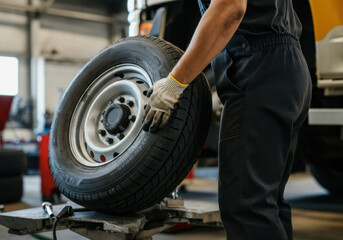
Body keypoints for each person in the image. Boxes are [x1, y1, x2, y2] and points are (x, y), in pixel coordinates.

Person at [143, 0, 312, 239]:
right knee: (267, 204)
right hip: (286, 66)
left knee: (247, 209)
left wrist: (175, 82)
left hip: (259, 69)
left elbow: (230, 6)